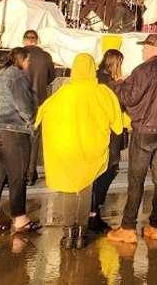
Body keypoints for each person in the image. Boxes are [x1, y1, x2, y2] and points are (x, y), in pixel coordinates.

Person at [35, 53, 123, 250]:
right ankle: (82, 234)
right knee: (85, 189)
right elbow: (117, 124)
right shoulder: (102, 92)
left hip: (68, 149)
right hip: (92, 150)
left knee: (68, 189)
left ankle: (67, 234)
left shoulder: (63, 92)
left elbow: (42, 113)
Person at [108, 33, 157, 245]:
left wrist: (117, 85)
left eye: (144, 47)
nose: (142, 51)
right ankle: (155, 225)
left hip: (145, 131)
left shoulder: (143, 71)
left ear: (151, 48)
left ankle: (128, 227)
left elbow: (129, 97)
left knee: (136, 179)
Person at [0, 47, 38, 234]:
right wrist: (32, 122)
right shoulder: (17, 78)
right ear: (22, 61)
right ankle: (19, 218)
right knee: (17, 175)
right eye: (28, 61)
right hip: (10, 132)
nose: (28, 65)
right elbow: (24, 107)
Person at [90, 49, 129, 232]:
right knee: (109, 169)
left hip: (95, 131)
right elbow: (120, 106)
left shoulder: (95, 78)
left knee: (98, 171)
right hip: (110, 132)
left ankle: (92, 210)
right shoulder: (111, 84)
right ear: (115, 63)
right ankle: (94, 211)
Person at [22, 29, 56, 184]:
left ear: (24, 40)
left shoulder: (19, 54)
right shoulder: (46, 56)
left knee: (18, 137)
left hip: (20, 101)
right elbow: (51, 77)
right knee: (34, 139)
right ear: (37, 40)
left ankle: (18, 173)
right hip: (39, 101)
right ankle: (30, 174)